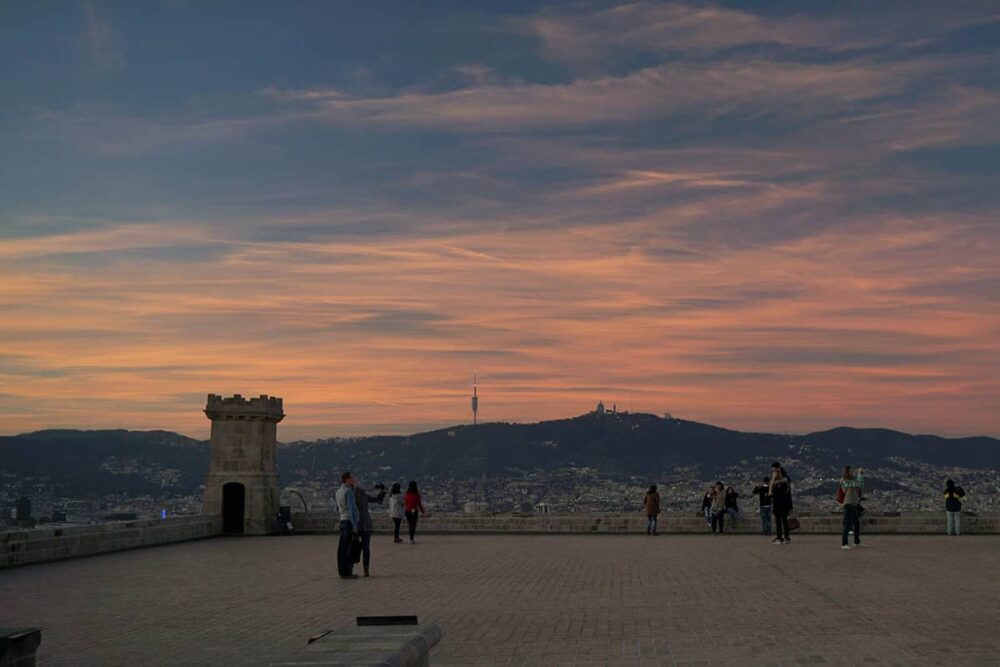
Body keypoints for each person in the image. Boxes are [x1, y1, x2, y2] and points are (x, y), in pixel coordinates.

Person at [354, 481, 385, 577]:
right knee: (364, 548)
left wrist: (382, 492)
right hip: (363, 523)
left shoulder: (360, 495)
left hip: (360, 523)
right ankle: (365, 569)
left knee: (358, 547)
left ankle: (360, 568)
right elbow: (378, 500)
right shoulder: (361, 496)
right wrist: (382, 492)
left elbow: (377, 500)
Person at [334, 471, 360, 579]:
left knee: (342, 547)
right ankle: (347, 571)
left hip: (342, 520)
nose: (353, 480)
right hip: (348, 521)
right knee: (348, 547)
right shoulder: (348, 492)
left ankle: (342, 570)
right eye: (351, 478)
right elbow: (352, 508)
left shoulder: (338, 491)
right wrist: (355, 525)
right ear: (347, 479)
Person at [840, 466, 864, 549]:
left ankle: (856, 541)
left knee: (856, 524)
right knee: (848, 524)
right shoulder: (843, 480)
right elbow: (850, 486)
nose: (852, 472)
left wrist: (860, 476)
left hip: (854, 504)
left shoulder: (853, 480)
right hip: (848, 503)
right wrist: (859, 475)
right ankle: (844, 543)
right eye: (851, 471)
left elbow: (860, 485)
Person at [769, 462, 793, 544]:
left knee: (782, 521)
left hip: (782, 503)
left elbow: (787, 492)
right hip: (780, 503)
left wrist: (773, 481)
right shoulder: (782, 480)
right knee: (781, 521)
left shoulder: (784, 480)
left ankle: (783, 537)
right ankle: (783, 537)